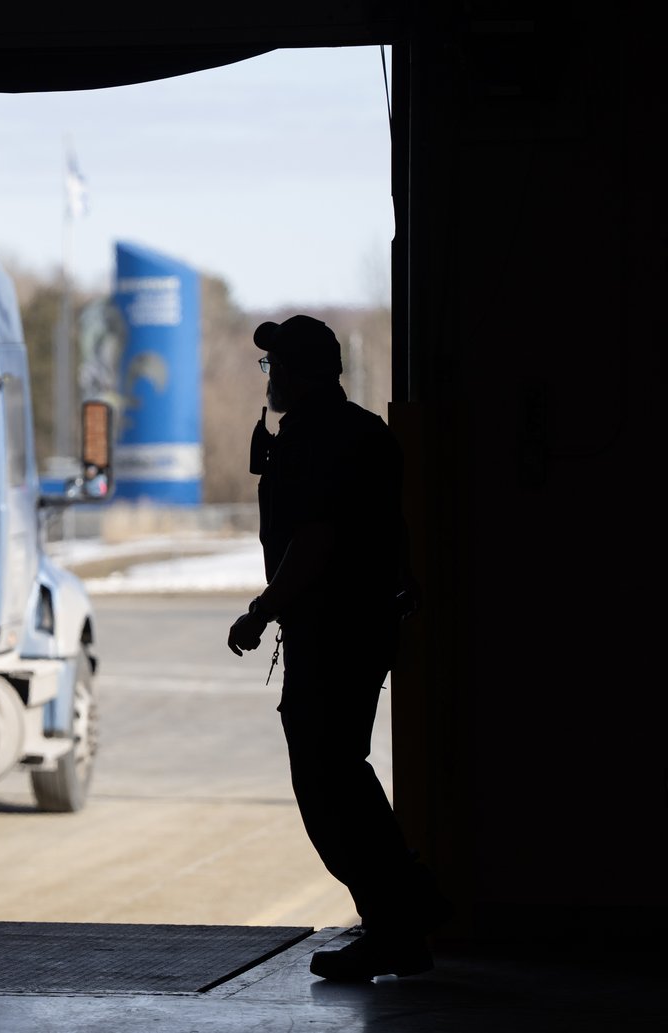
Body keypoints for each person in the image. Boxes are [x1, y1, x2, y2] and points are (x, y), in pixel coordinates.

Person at [227, 314, 450, 981]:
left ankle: (401, 911)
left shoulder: (319, 439)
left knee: (328, 784)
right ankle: (402, 920)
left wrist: (262, 611)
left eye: (274, 367)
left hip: (331, 628)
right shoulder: (361, 432)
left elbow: (318, 539)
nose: (269, 379)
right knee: (341, 773)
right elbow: (387, 524)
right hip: (358, 626)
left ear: (298, 371)